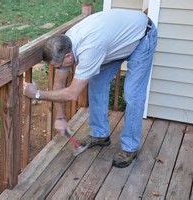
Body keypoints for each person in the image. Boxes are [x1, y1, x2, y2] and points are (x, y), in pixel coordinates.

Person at [23, 8, 157, 168]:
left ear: (68, 57)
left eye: (58, 65)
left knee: (132, 94)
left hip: (142, 38)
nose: (57, 68)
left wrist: (36, 94)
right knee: (97, 83)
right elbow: (59, 84)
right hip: (115, 43)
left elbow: (72, 93)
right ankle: (101, 135)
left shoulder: (89, 50)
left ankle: (130, 147)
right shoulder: (66, 45)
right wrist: (60, 117)